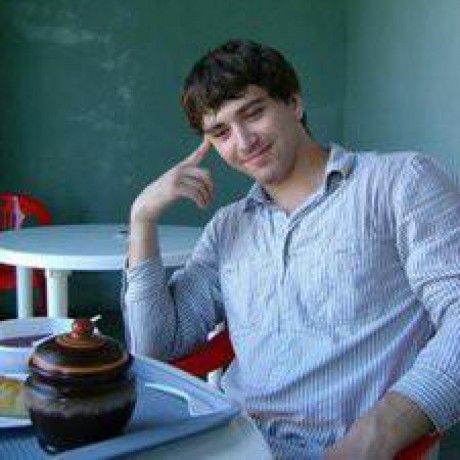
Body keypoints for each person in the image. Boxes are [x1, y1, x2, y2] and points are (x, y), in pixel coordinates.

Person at [122, 39, 460, 459]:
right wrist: (142, 219)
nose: (243, 141)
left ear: (294, 103)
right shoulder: (228, 226)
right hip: (230, 441)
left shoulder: (400, 182)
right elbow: (157, 345)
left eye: (253, 113)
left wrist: (377, 432)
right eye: (221, 132)